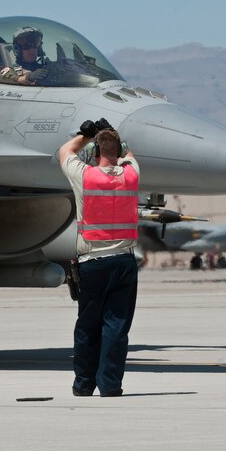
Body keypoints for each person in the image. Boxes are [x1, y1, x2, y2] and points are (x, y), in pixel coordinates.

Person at [58, 119, 140, 397]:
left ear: (94, 154)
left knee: (87, 325)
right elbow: (128, 155)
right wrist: (115, 137)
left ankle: (83, 385)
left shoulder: (85, 175)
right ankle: (110, 386)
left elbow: (64, 152)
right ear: (119, 151)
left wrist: (85, 135)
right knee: (116, 326)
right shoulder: (131, 175)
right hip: (124, 263)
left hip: (92, 263)